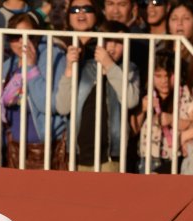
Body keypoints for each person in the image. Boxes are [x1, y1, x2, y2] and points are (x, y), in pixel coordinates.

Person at [56, 20, 141, 172]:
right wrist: (69, 68)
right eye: (108, 41)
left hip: (111, 155)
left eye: (119, 42)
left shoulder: (129, 69)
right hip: (79, 154)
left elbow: (131, 100)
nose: (113, 47)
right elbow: (63, 107)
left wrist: (109, 65)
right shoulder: (83, 67)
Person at [0, 11, 68, 170]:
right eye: (14, 37)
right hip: (15, 147)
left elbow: (49, 104)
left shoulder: (53, 56)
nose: (20, 43)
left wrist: (31, 68)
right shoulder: (8, 65)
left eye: (27, 36)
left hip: (45, 147)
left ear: (37, 35)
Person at [134, 51, 193, 174]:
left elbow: (192, 124)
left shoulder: (186, 94)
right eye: (158, 76)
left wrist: (172, 119)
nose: (164, 80)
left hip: (173, 159)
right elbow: (134, 128)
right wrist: (142, 110)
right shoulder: (146, 94)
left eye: (168, 75)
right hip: (147, 159)